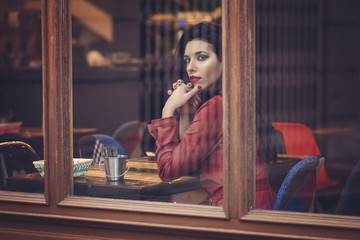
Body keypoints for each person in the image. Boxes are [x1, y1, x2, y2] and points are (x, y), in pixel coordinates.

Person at [148, 22, 276, 209]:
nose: (190, 67)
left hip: (235, 212)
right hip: (254, 206)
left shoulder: (216, 107)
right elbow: (188, 160)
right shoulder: (235, 99)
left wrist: (167, 111)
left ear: (225, 61)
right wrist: (185, 114)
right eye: (186, 60)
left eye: (201, 57)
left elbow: (168, 170)